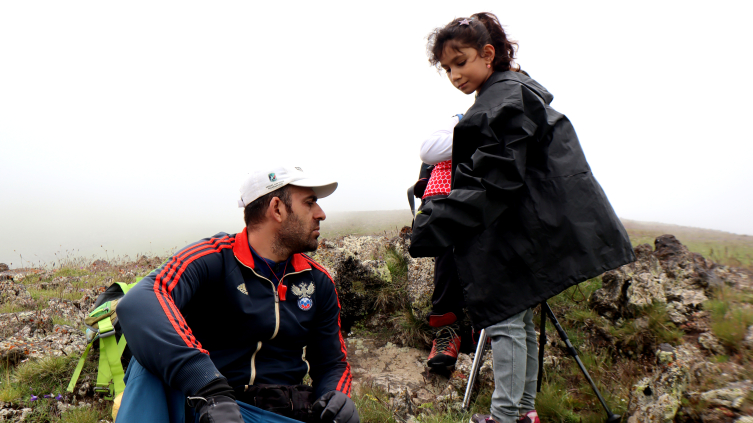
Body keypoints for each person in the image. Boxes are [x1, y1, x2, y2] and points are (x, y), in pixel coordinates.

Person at [409, 13, 636, 423]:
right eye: (446, 68)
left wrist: (434, 222)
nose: (454, 75)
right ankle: (524, 411)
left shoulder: (504, 99)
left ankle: (506, 416)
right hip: (527, 227)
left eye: (460, 62)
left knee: (506, 319)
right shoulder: (506, 94)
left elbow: (494, 180)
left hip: (518, 231)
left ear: (488, 53)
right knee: (519, 318)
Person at [116, 165, 359, 423]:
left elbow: (332, 362)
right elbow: (140, 301)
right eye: (310, 203)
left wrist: (337, 396)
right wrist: (208, 388)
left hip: (282, 414)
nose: (320, 214)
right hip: (214, 409)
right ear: (277, 208)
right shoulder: (214, 259)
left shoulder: (317, 280)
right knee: (148, 361)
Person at [418, 114, 467, 370]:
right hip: (448, 198)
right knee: (448, 250)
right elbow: (428, 150)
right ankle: (447, 330)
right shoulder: (458, 119)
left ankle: (487, 328)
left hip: (489, 194)